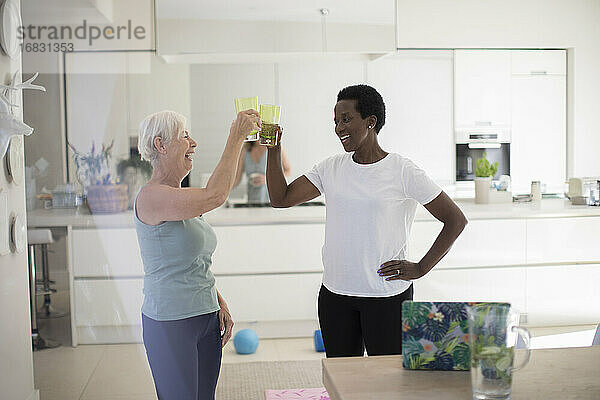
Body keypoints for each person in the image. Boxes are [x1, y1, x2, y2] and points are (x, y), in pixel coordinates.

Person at [266, 85, 468, 358]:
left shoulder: (402, 170)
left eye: (346, 119)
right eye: (336, 121)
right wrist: (274, 149)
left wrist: (421, 267)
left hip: (385, 296)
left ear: (370, 122)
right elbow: (281, 198)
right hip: (335, 295)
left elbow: (455, 220)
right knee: (343, 383)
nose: (339, 128)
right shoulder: (331, 168)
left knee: (387, 384)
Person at [135, 109, 260, 399]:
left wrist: (218, 301)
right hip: (171, 322)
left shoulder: (181, 198)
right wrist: (236, 136)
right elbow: (216, 195)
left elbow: (193, 261)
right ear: (160, 145)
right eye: (185, 136)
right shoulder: (152, 197)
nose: (194, 143)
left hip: (205, 317)